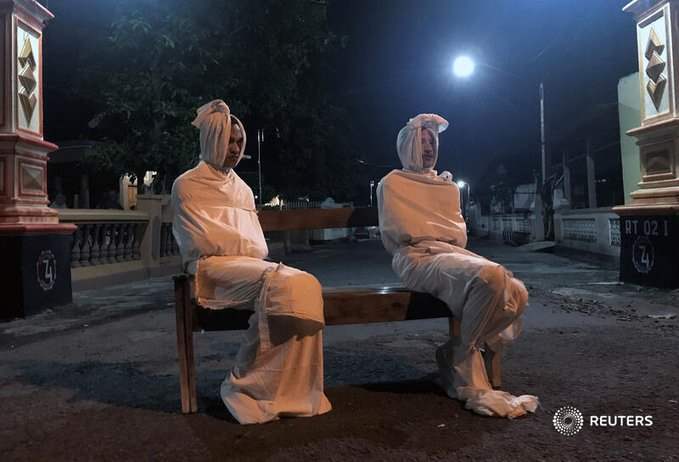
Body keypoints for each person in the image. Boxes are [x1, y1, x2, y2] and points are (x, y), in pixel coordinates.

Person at [171, 100, 331, 424]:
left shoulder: (242, 189)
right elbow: (201, 243)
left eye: (239, 142)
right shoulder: (186, 184)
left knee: (304, 284)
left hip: (247, 266)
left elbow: (255, 246)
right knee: (283, 283)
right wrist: (237, 242)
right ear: (211, 139)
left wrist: (235, 241)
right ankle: (246, 385)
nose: (235, 148)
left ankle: (289, 390)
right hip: (210, 270)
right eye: (228, 140)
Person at [377, 113, 538, 418]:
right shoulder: (392, 183)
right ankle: (464, 357)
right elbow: (400, 232)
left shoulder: (447, 186)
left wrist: (441, 238)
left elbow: (458, 236)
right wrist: (434, 237)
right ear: (407, 146)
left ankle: (456, 351)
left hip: (450, 254)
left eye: (432, 141)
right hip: (416, 257)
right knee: (490, 276)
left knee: (517, 292)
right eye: (421, 141)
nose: (428, 147)